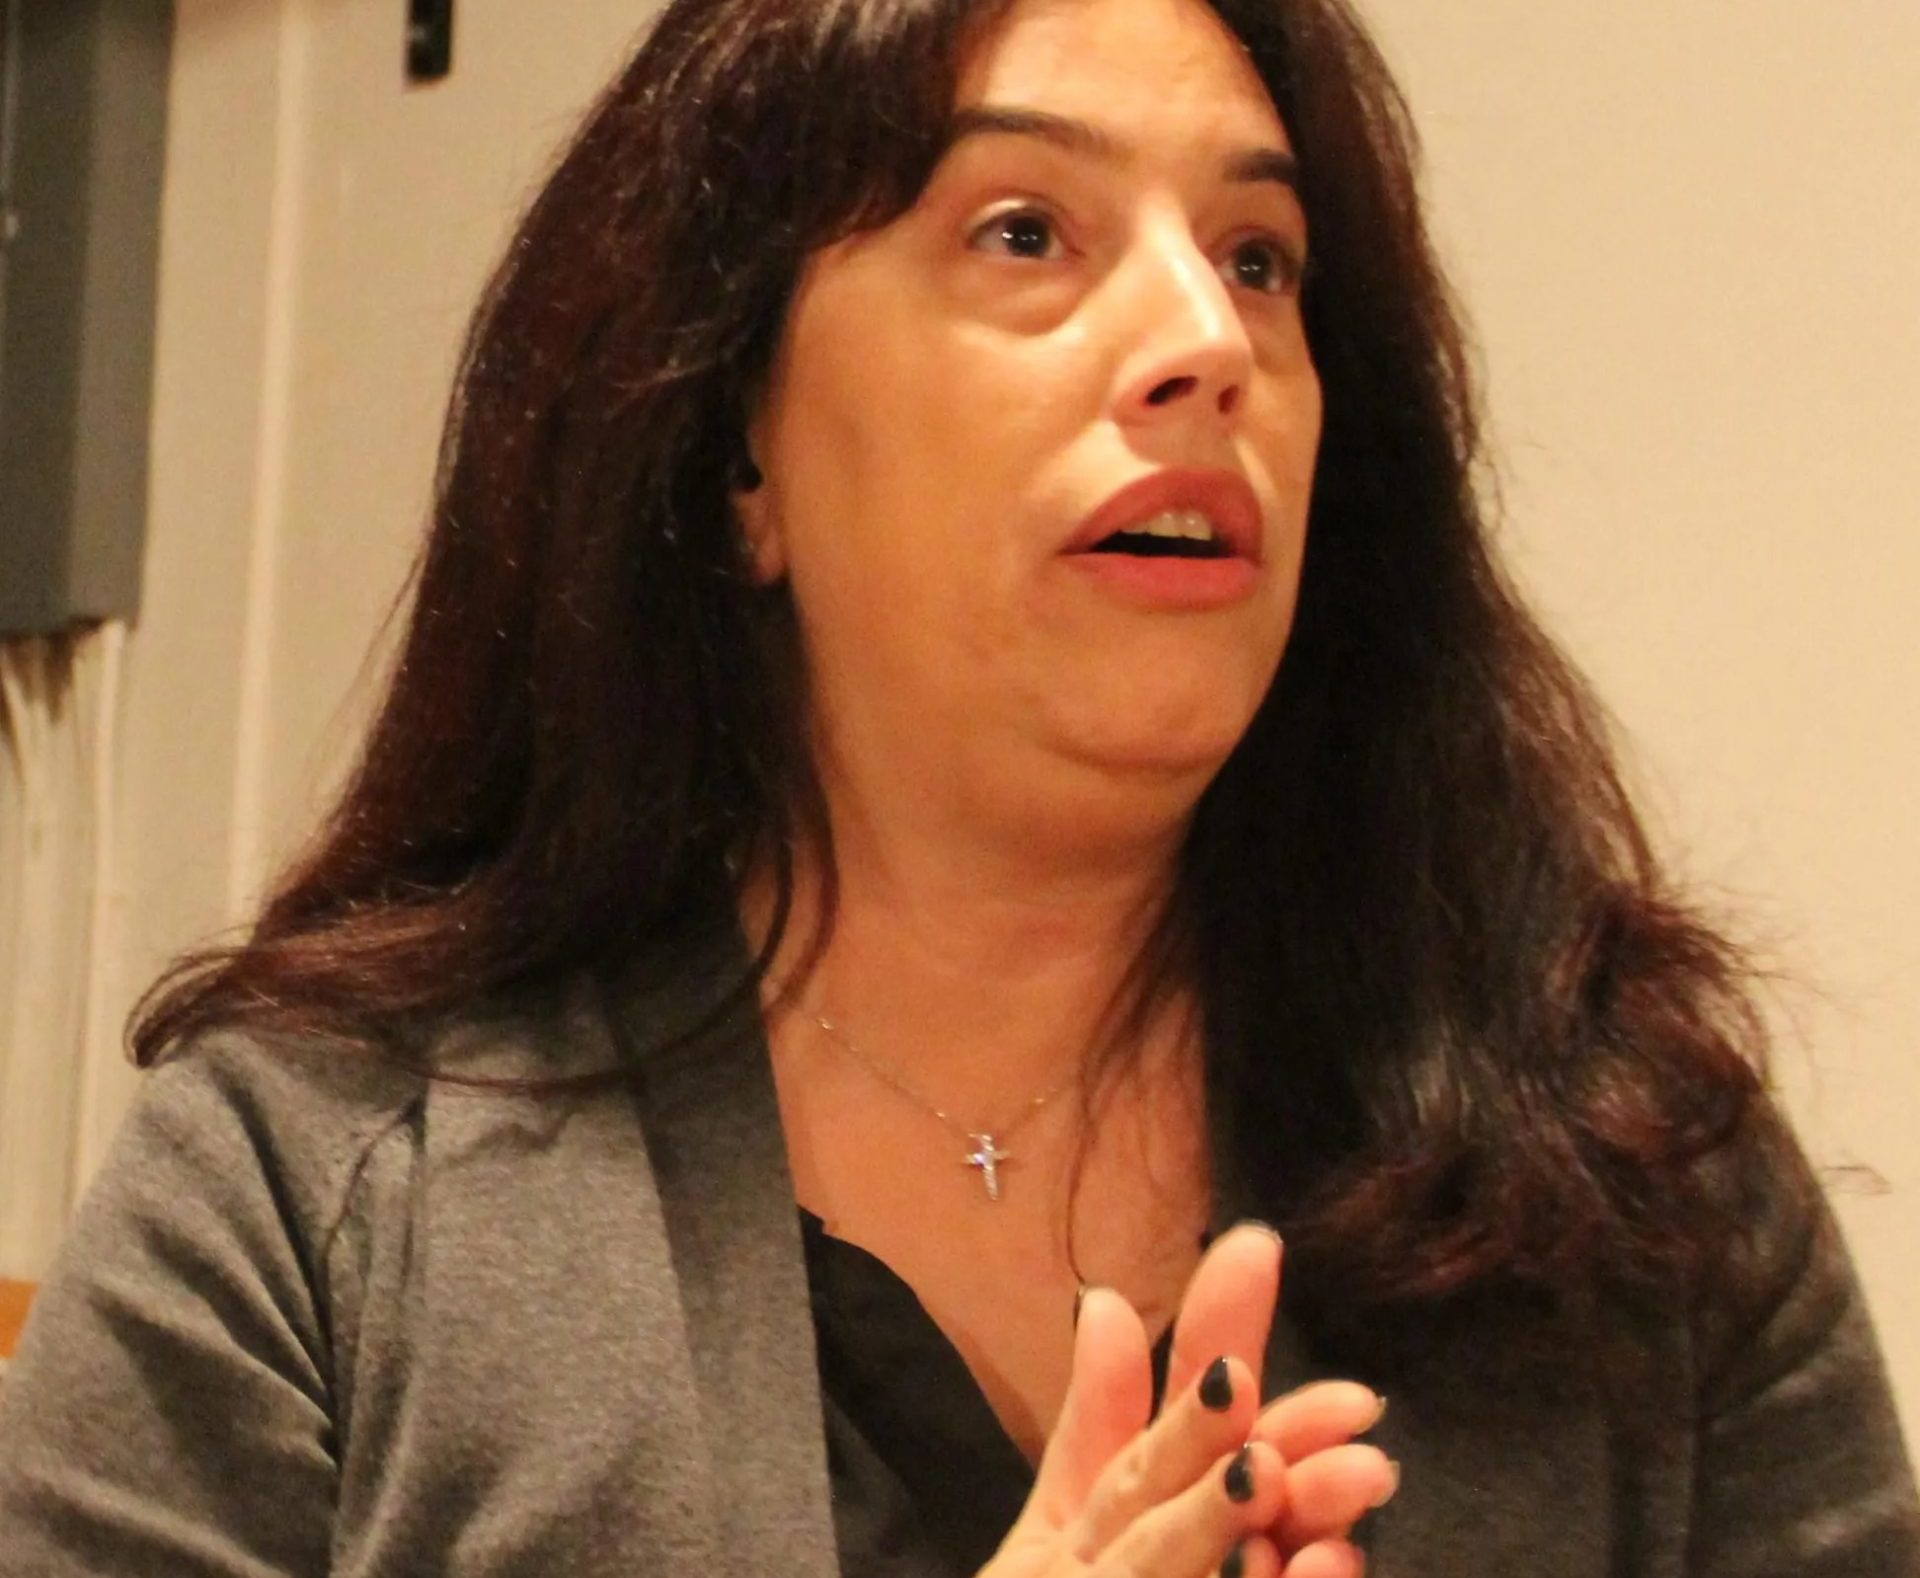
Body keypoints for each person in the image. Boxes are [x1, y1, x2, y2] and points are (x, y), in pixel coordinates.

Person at [1, 0, 1915, 1571]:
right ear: (737, 447)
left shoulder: (1636, 1181)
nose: (1205, 342)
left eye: (1259, 257)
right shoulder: (305, 1197)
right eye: (1025, 233)